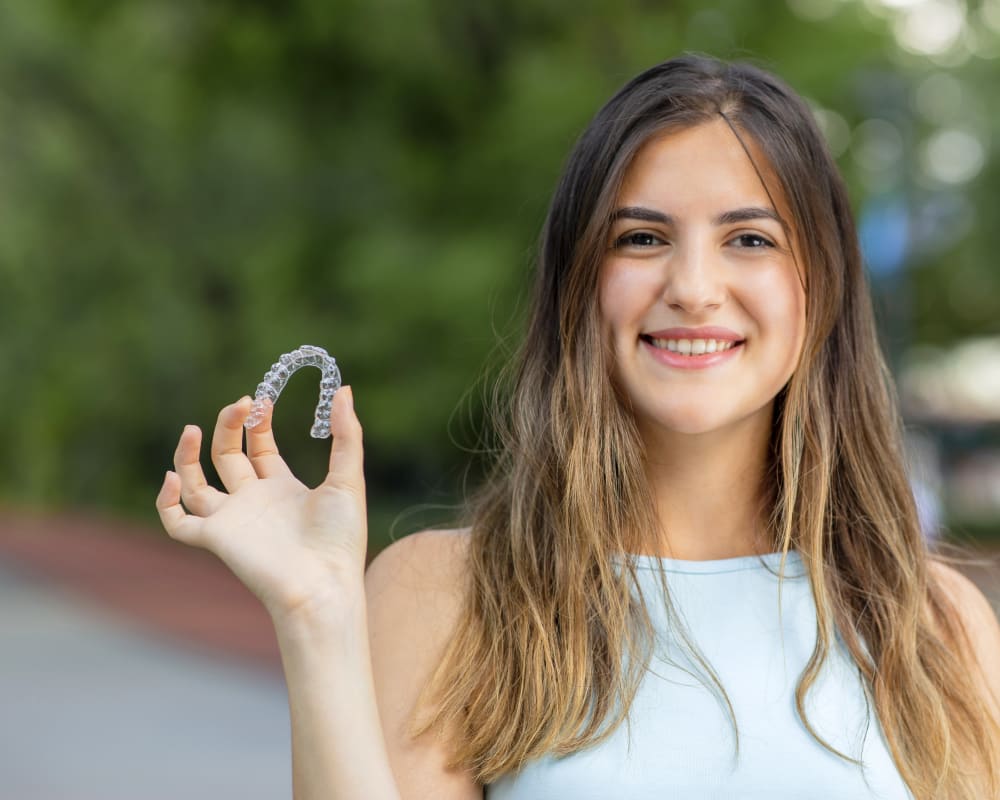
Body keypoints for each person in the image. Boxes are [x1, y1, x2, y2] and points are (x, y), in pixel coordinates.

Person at [155, 55, 1000, 799]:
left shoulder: (938, 623)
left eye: (749, 237)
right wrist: (316, 614)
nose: (695, 287)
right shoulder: (448, 595)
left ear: (820, 290)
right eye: (641, 238)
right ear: (578, 287)